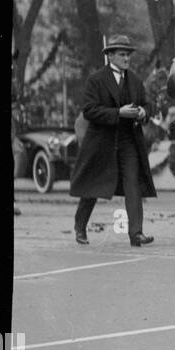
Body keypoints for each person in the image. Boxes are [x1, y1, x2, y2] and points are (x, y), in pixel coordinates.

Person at [69, 34, 157, 246]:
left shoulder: (135, 81)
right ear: (110, 56)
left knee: (132, 184)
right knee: (93, 187)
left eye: (128, 55)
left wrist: (144, 112)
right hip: (101, 143)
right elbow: (89, 111)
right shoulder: (96, 80)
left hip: (128, 141)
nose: (127, 59)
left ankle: (136, 233)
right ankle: (80, 227)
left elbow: (148, 104)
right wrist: (118, 113)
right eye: (122, 55)